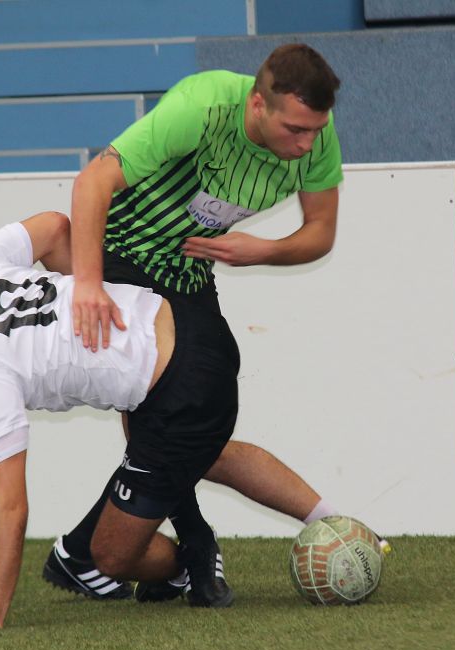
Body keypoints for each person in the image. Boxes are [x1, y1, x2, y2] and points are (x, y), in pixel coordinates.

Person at [0, 212, 339, 635]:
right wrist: (88, 297)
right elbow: (53, 227)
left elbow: (10, 507)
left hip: (180, 390)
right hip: (181, 313)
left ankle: (189, 561)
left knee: (109, 555)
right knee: (197, 452)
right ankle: (335, 522)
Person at [60, 43, 353, 599]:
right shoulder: (202, 106)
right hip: (125, 254)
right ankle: (191, 545)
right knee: (179, 412)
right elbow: (93, 181)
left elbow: (321, 232)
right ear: (257, 104)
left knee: (199, 422)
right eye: (295, 129)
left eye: (315, 130)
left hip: (188, 270)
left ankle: (90, 551)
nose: (307, 144)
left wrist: (262, 250)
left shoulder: (316, 134)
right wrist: (89, 285)